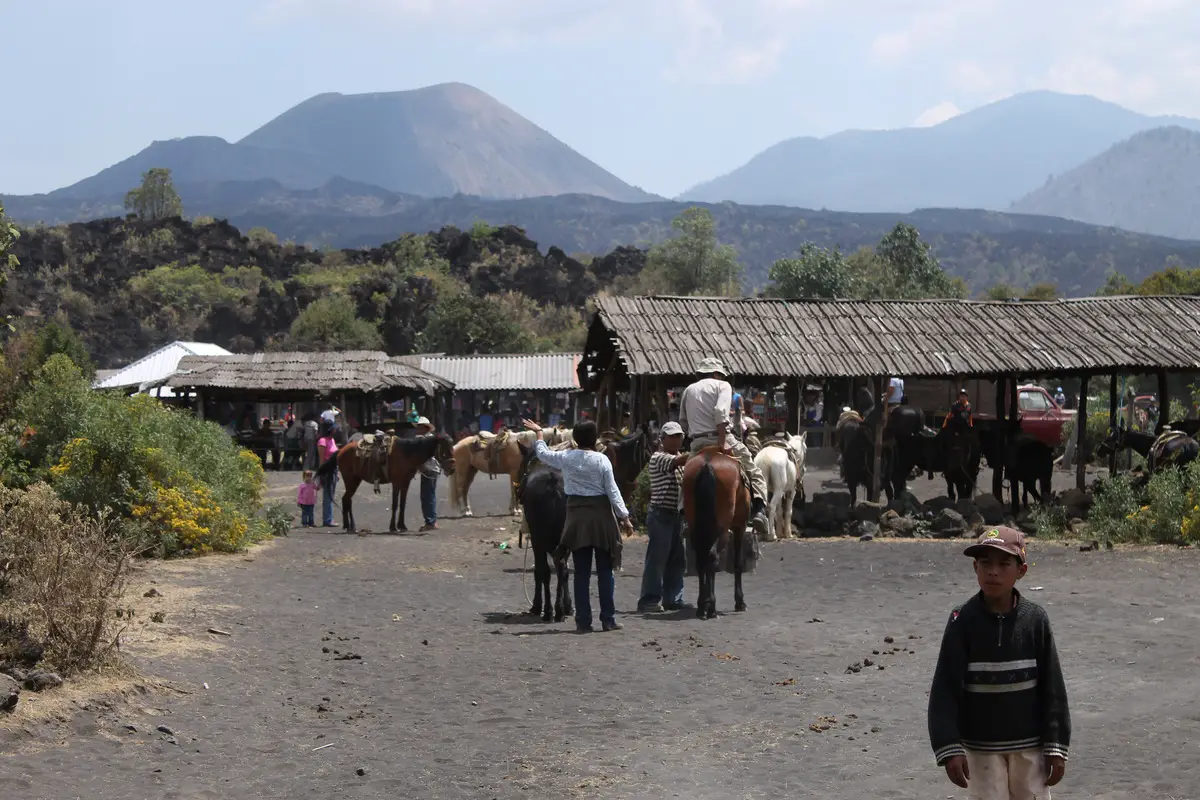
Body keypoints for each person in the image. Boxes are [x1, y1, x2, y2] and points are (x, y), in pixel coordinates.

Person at [928, 526, 1070, 799]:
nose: (993, 571)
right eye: (985, 563)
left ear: (1021, 571)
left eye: (1004, 563)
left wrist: (1056, 746)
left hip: (1030, 747)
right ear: (975, 568)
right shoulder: (962, 620)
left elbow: (1053, 688)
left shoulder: (1035, 620)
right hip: (981, 747)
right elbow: (945, 688)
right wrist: (949, 747)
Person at [523, 418, 634, 633]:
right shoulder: (602, 461)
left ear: (574, 439)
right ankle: (608, 619)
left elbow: (543, 454)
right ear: (594, 439)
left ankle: (583, 621)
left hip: (576, 519)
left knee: (581, 572)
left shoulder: (566, 457)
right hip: (602, 519)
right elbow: (613, 491)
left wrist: (539, 434)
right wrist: (625, 518)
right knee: (604, 571)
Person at [678, 357, 769, 537]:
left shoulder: (689, 390)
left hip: (697, 442)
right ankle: (759, 510)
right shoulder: (723, 385)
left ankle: (683, 517)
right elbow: (720, 412)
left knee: (685, 480)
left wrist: (693, 438)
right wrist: (722, 443)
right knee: (753, 471)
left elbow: (683, 421)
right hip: (720, 438)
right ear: (716, 373)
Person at [638, 421, 688, 613]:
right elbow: (678, 462)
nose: (676, 440)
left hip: (676, 515)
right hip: (660, 514)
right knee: (657, 559)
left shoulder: (680, 459)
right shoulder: (659, 457)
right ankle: (649, 599)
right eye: (673, 436)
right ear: (663, 439)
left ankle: (674, 598)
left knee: (677, 559)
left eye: (679, 436)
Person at [415, 416, 440, 532]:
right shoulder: (431, 438)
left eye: (419, 428)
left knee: (427, 497)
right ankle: (432, 520)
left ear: (425, 428)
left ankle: (430, 522)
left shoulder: (425, 440)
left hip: (429, 470)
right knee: (431, 496)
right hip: (433, 469)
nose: (417, 430)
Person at [316, 427, 340, 527]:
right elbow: (321, 459)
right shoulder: (322, 441)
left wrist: (337, 472)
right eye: (334, 428)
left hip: (334, 469)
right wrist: (321, 474)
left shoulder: (332, 440)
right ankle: (327, 519)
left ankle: (329, 518)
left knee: (331, 494)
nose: (335, 430)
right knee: (328, 495)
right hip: (327, 471)